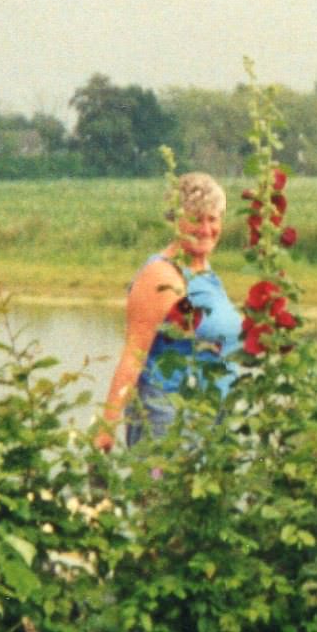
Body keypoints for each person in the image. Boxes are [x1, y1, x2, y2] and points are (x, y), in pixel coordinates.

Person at [94, 172, 242, 448]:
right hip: (169, 423)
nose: (206, 229)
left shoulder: (205, 274)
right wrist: (106, 430)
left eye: (213, 219)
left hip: (212, 421)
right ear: (176, 221)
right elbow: (133, 356)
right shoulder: (162, 275)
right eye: (196, 219)